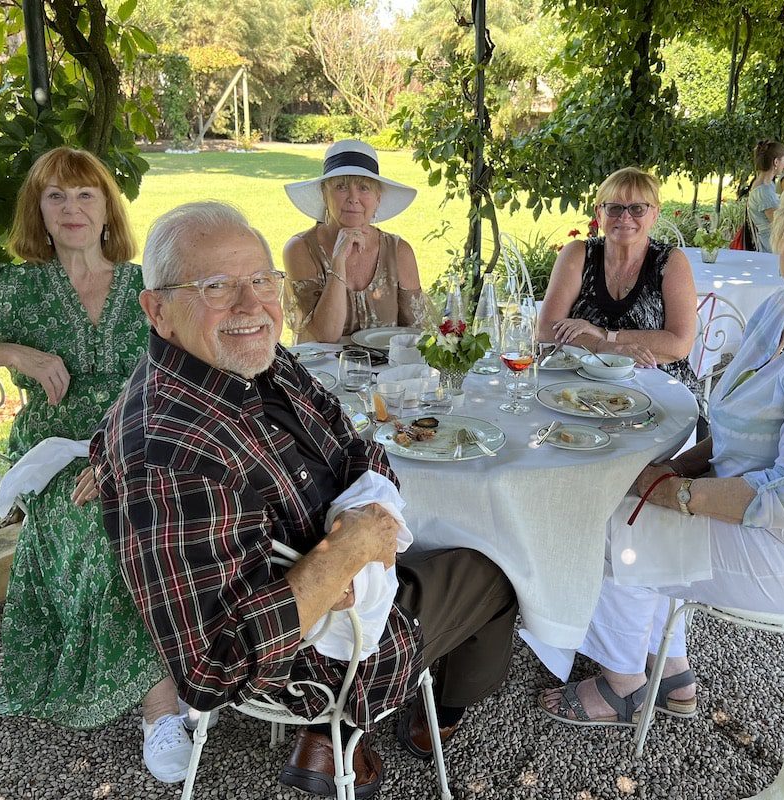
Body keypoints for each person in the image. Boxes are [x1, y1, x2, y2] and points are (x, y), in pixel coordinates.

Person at [92, 201, 518, 798]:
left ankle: (360, 724)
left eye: (263, 280)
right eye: (216, 287)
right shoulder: (170, 453)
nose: (251, 306)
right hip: (310, 662)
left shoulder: (254, 360)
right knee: (497, 572)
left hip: (334, 561)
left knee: (446, 541)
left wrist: (359, 523)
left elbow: (351, 439)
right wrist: (339, 559)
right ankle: (401, 719)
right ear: (157, 310)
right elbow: (211, 668)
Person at [537, 173, 784, 726]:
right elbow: (736, 432)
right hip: (766, 517)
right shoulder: (781, 310)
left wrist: (674, 493)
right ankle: (673, 673)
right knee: (631, 501)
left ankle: (623, 685)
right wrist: (671, 468)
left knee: (606, 522)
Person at [0, 148, 186, 781]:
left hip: (142, 446)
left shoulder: (146, 287)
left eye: (85, 196)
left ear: (108, 208)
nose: (72, 209)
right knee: (109, 527)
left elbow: (195, 367)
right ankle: (162, 711)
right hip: (54, 463)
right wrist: (14, 352)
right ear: (38, 211)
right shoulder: (18, 289)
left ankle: (223, 659)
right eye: (56, 197)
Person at [538, 167, 699, 391]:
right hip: (580, 387)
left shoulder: (670, 262)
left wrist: (606, 335)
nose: (625, 217)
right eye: (614, 208)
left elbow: (679, 344)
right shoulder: (578, 254)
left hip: (661, 388)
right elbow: (546, 330)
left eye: (637, 208)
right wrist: (606, 347)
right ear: (598, 214)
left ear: (654, 214)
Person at [282, 139, 430, 343]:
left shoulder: (399, 252)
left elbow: (418, 335)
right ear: (325, 194)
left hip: (388, 373)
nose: (353, 197)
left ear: (378, 197)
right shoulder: (301, 249)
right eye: (341, 187)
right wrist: (338, 260)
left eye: (364, 188)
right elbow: (325, 335)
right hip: (323, 373)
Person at [747, 140, 784, 252]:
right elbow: (778, 222)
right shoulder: (763, 191)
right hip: (770, 245)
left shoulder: (767, 184)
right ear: (776, 162)